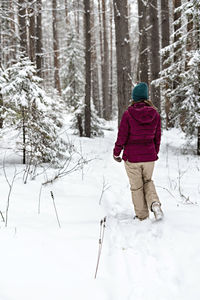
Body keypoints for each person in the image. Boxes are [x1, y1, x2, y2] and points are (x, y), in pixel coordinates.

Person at [113, 82, 163, 221]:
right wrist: (154, 152)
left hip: (132, 158)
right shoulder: (155, 114)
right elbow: (157, 137)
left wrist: (116, 152)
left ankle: (142, 216)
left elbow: (122, 136)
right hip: (149, 157)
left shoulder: (128, 114)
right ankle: (154, 203)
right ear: (146, 97)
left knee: (136, 187)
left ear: (134, 97)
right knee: (148, 181)